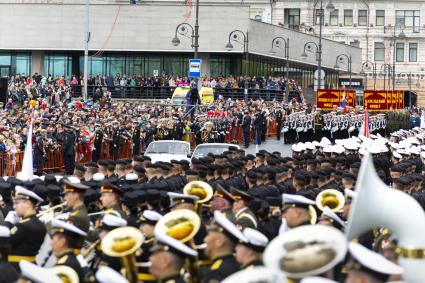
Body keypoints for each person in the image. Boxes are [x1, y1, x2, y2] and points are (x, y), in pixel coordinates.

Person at [5, 186, 46, 271]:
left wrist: (7, 223)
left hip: (16, 269)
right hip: (30, 267)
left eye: (17, 203)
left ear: (27, 203)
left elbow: (4, 243)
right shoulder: (39, 224)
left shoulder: (23, 226)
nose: (14, 207)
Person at [203, 211, 241, 283]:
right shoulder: (234, 266)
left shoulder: (217, 272)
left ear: (219, 241)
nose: (205, 239)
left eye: (208, 234)